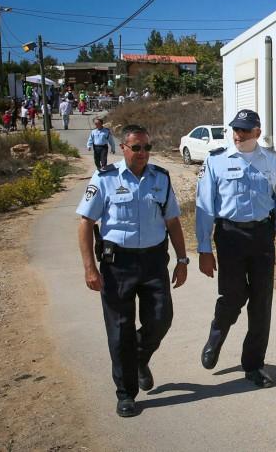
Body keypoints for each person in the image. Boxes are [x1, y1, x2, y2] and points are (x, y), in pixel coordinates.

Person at [76, 124, 189, 417]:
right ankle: (126, 393)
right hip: (118, 265)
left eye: (147, 148)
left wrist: (182, 259)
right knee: (120, 331)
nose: (142, 153)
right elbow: (86, 223)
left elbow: (173, 221)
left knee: (161, 318)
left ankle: (139, 357)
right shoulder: (104, 179)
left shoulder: (160, 178)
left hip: (154, 262)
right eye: (136, 147)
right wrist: (90, 268)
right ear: (123, 148)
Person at [195, 109, 276, 388]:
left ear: (257, 133)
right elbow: (205, 207)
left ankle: (254, 365)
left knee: (262, 303)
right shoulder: (216, 161)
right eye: (235, 129)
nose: (238, 135)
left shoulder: (272, 161)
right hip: (229, 236)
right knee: (233, 296)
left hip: (262, 236)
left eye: (245, 130)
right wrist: (204, 249)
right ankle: (217, 334)